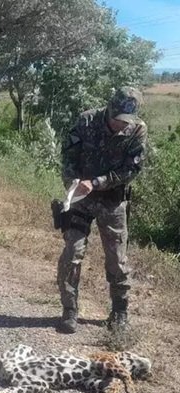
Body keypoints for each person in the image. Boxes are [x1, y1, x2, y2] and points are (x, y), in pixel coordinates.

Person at [57, 87, 148, 334]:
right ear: (109, 108)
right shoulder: (86, 120)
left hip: (113, 201)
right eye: (117, 119)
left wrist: (97, 182)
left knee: (117, 259)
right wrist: (73, 185)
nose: (121, 125)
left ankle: (119, 312)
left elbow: (131, 169)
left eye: (125, 121)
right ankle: (69, 310)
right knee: (72, 253)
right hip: (81, 199)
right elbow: (68, 157)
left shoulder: (138, 129)